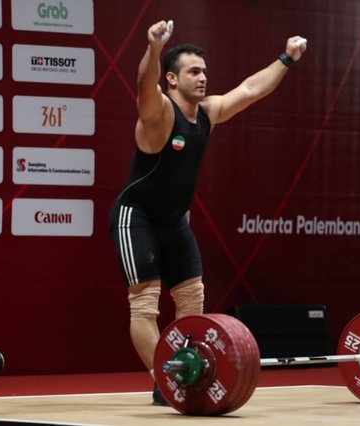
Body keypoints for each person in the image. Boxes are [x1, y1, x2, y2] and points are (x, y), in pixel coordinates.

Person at [108, 19, 307, 405]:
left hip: (175, 222)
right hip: (137, 218)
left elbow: (251, 89)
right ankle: (164, 380)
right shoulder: (159, 113)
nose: (203, 78)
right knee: (145, 304)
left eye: (204, 72)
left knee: (192, 302)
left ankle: (181, 370)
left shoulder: (208, 113)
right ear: (171, 79)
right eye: (194, 72)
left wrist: (287, 58)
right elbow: (144, 85)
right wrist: (153, 48)